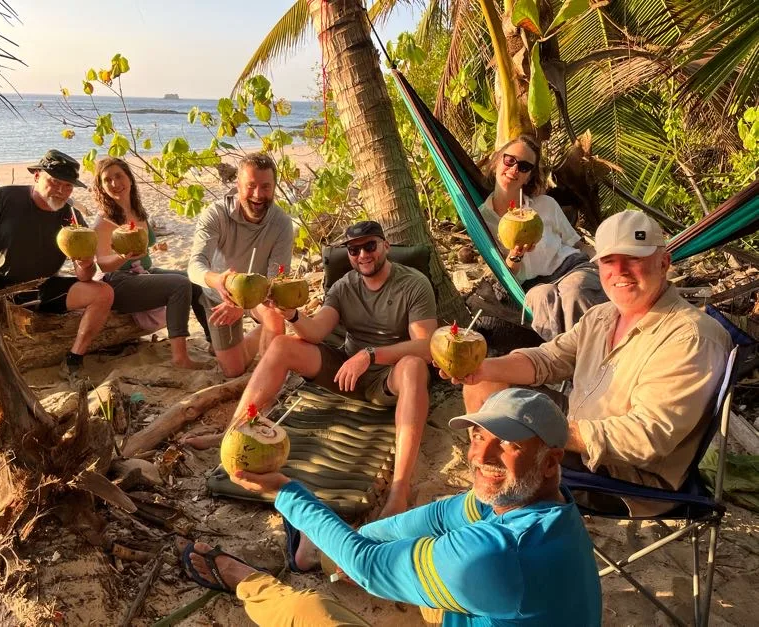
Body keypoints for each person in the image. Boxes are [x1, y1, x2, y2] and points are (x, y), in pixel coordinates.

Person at [181, 388, 603, 626]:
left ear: (550, 463)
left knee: (308, 611)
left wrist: (286, 492)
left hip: (492, 581)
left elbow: (367, 565)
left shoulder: (498, 554)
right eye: (478, 437)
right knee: (420, 560)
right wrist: (357, 541)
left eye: (508, 446)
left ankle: (247, 581)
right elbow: (437, 517)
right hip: (492, 603)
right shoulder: (547, 508)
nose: (482, 456)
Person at [452, 211, 733, 516]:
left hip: (624, 477)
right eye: (609, 261)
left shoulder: (691, 337)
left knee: (515, 440)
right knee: (487, 386)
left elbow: (646, 438)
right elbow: (549, 359)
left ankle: (500, 519)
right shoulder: (603, 315)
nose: (620, 271)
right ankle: (494, 492)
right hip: (575, 439)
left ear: (663, 263)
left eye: (633, 259)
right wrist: (479, 369)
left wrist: (543, 429)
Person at [225, 220, 437, 519]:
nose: (362, 255)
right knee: (283, 345)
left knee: (415, 367)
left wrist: (372, 355)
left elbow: (427, 347)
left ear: (386, 246)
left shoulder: (413, 284)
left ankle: (399, 490)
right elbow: (315, 332)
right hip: (345, 373)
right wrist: (293, 314)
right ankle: (235, 432)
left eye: (370, 246)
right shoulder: (344, 286)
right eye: (354, 250)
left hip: (390, 376)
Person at [0, 149, 114, 383]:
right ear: (37, 176)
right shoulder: (2, 198)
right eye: (54, 182)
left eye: (67, 186)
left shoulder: (72, 218)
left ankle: (73, 360)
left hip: (41, 288)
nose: (61, 191)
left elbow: (85, 275)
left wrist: (85, 263)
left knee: (103, 293)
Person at [479, 135, 607, 340]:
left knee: (575, 290)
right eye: (509, 160)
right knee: (540, 299)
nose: (514, 169)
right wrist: (515, 256)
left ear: (529, 176)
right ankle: (565, 359)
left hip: (571, 267)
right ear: (496, 161)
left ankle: (593, 352)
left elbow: (578, 245)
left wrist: (608, 263)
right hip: (532, 285)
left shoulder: (545, 205)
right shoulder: (481, 221)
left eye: (524, 166)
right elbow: (506, 276)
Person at [91, 157, 209, 369]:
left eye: (119, 176)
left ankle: (214, 342)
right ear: (101, 186)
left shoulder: (137, 211)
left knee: (193, 279)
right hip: (118, 282)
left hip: (144, 273)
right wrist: (122, 256)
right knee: (179, 285)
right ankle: (180, 357)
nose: (115, 183)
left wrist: (154, 248)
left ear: (129, 178)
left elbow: (144, 249)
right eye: (107, 180)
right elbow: (103, 264)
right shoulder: (104, 220)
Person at [187, 152, 292, 377]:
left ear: (274, 187)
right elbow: (195, 265)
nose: (258, 195)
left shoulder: (281, 223)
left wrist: (243, 303)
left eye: (266, 187)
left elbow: (278, 280)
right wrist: (219, 281)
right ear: (238, 185)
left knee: (275, 314)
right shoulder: (215, 214)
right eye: (251, 186)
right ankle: (241, 341)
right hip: (218, 295)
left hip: (260, 294)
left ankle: (266, 376)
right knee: (233, 370)